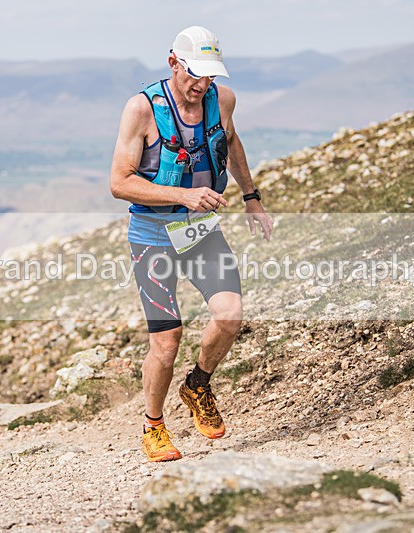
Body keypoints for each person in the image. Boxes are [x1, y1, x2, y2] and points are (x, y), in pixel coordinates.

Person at [110, 26, 274, 462]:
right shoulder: (141, 109)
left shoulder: (222, 101)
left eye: (210, 75)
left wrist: (252, 197)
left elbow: (231, 142)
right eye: (194, 74)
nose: (202, 85)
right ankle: (153, 425)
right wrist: (183, 195)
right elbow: (118, 183)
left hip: (198, 228)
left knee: (230, 315)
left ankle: (197, 385)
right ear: (173, 63)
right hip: (152, 234)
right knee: (167, 341)